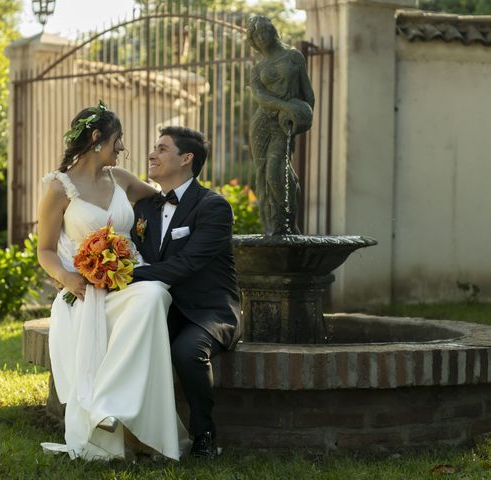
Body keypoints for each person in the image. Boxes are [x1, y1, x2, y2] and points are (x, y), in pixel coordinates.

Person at [36, 102, 189, 461]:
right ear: (96, 138)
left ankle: (109, 404)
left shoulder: (121, 179)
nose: (121, 149)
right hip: (84, 289)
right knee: (143, 304)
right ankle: (109, 417)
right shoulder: (59, 188)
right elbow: (44, 250)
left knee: (154, 295)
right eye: (117, 140)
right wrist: (66, 276)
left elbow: (166, 200)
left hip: (131, 280)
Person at [129, 126, 241, 459]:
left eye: (162, 149)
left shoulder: (213, 207)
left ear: (187, 158)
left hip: (209, 310)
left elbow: (186, 264)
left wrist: (127, 276)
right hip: (160, 305)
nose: (152, 154)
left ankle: (204, 435)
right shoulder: (145, 208)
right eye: (154, 148)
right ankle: (131, 430)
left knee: (186, 351)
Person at [247, 15, 315, 235]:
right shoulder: (258, 69)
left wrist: (302, 116)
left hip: (283, 123)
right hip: (262, 123)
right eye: (256, 34)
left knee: (277, 171)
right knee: (262, 173)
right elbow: (259, 96)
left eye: (264, 31)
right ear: (253, 40)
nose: (261, 36)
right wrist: (285, 106)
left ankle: (288, 224)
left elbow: (308, 94)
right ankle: (271, 227)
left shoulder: (293, 56)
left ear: (272, 31)